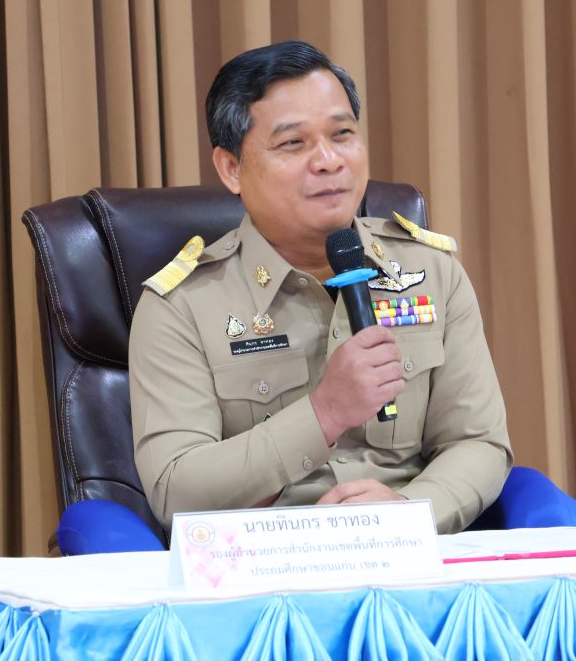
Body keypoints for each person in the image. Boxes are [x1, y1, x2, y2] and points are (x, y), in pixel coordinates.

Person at [128, 40, 512, 534]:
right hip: (269, 561)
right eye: (293, 143)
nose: (329, 160)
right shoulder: (182, 305)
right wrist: (323, 413)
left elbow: (478, 442)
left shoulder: (432, 272)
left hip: (413, 547)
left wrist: (412, 511)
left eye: (342, 134)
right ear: (231, 168)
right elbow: (176, 490)